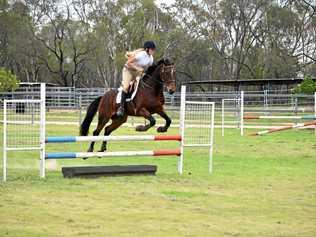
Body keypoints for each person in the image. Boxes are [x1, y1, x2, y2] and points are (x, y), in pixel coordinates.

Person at [116, 41, 156, 117]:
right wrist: (138, 68)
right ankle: (121, 107)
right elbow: (128, 63)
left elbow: (149, 69)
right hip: (128, 70)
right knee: (126, 87)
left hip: (138, 72)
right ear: (147, 49)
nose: (153, 51)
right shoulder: (141, 55)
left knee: (143, 85)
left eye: (154, 49)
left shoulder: (151, 58)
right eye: (152, 49)